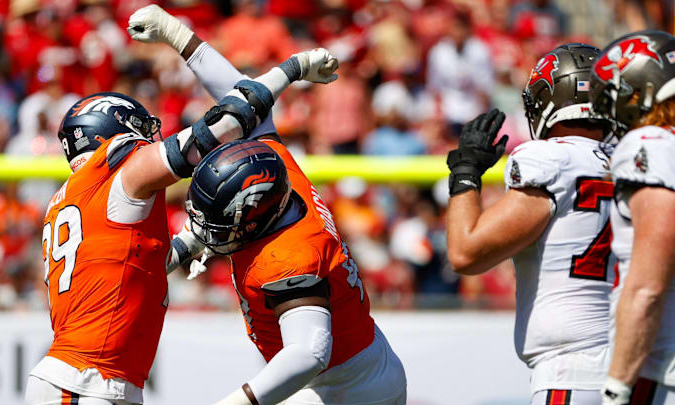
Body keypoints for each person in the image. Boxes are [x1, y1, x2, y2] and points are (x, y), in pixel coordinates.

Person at [25, 21, 340, 405]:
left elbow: (133, 270)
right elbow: (225, 124)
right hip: (87, 382)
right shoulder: (116, 170)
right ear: (114, 131)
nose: (150, 138)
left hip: (89, 380)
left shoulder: (70, 200)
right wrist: (293, 69)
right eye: (140, 129)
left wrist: (193, 240)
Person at [126, 5, 407, 405]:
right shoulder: (276, 168)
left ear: (252, 219)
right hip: (358, 365)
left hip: (343, 388)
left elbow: (309, 353)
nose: (205, 229)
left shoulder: (291, 256)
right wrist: (176, 34)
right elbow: (238, 94)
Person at [446, 43, 615, 404]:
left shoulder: (551, 159)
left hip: (575, 369)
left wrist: (465, 175)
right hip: (640, 360)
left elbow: (466, 253)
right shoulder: (636, 160)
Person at [589, 30, 675, 405]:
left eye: (616, 95)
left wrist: (617, 387)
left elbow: (647, 287)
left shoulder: (649, 145)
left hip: (660, 370)